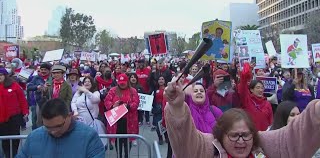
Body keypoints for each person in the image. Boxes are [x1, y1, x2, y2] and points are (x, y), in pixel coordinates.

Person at [164, 75, 320, 158]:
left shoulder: (263, 145)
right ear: (221, 135)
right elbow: (187, 144)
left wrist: (316, 112)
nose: (241, 141)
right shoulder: (209, 148)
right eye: (234, 136)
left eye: (245, 135)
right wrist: (177, 107)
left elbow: (294, 137)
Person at [16, 99, 105, 158]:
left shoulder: (89, 136)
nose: (53, 132)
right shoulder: (33, 137)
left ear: (70, 116)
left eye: (58, 126)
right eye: (47, 127)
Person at [104, 73, 140, 158]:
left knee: (128, 140)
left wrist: (128, 106)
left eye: (124, 83)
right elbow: (107, 101)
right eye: (121, 83)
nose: (122, 85)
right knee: (118, 140)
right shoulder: (113, 90)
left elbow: (136, 103)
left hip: (129, 120)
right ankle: (119, 155)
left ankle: (127, 155)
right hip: (117, 120)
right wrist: (113, 105)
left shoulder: (133, 91)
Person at [0, 68, 29, 158]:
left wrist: (25, 112)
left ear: (5, 75)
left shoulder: (14, 85)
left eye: (0, 75)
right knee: (4, 140)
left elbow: (22, 100)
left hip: (14, 117)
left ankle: (13, 155)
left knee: (14, 138)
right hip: (1, 119)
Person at [238, 62, 273, 131]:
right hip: (250, 135)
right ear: (251, 89)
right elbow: (243, 85)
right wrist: (248, 69)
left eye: (262, 88)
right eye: (258, 87)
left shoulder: (267, 104)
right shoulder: (247, 100)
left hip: (264, 136)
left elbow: (271, 122)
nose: (260, 90)